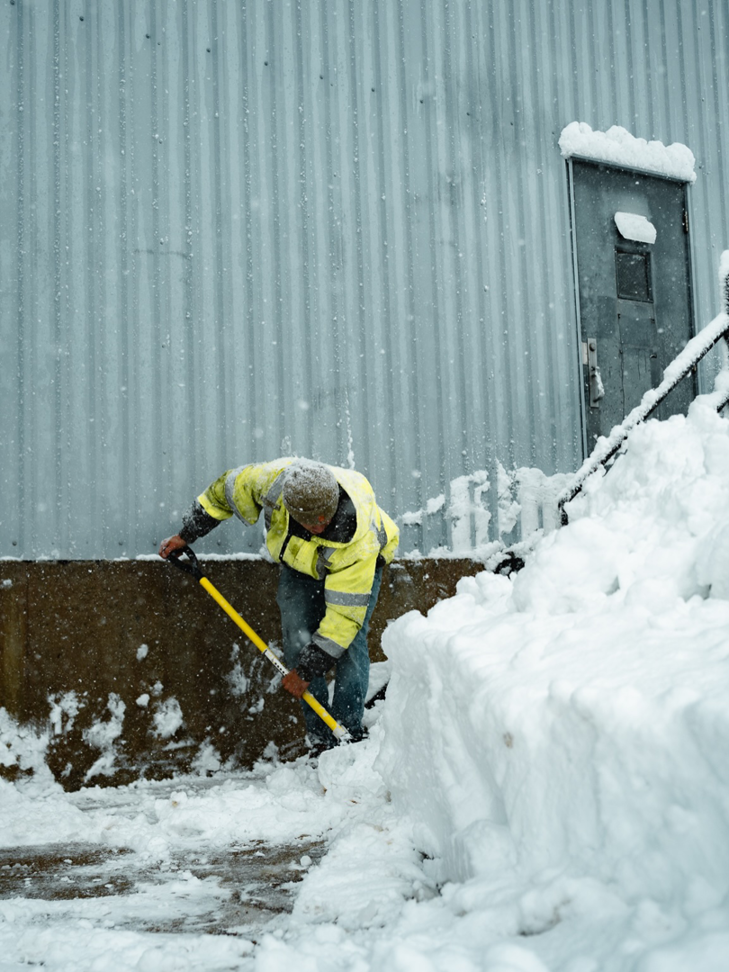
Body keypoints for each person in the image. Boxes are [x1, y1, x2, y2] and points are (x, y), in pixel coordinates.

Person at [159, 457, 399, 755]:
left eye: (325, 517)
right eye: (312, 521)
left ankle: (348, 735)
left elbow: (343, 621)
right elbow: (223, 492)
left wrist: (307, 672)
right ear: (292, 509)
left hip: (357, 560)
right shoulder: (271, 483)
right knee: (297, 640)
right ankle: (322, 741)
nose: (321, 525)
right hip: (300, 560)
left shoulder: (357, 539)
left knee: (349, 644)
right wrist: (185, 536)